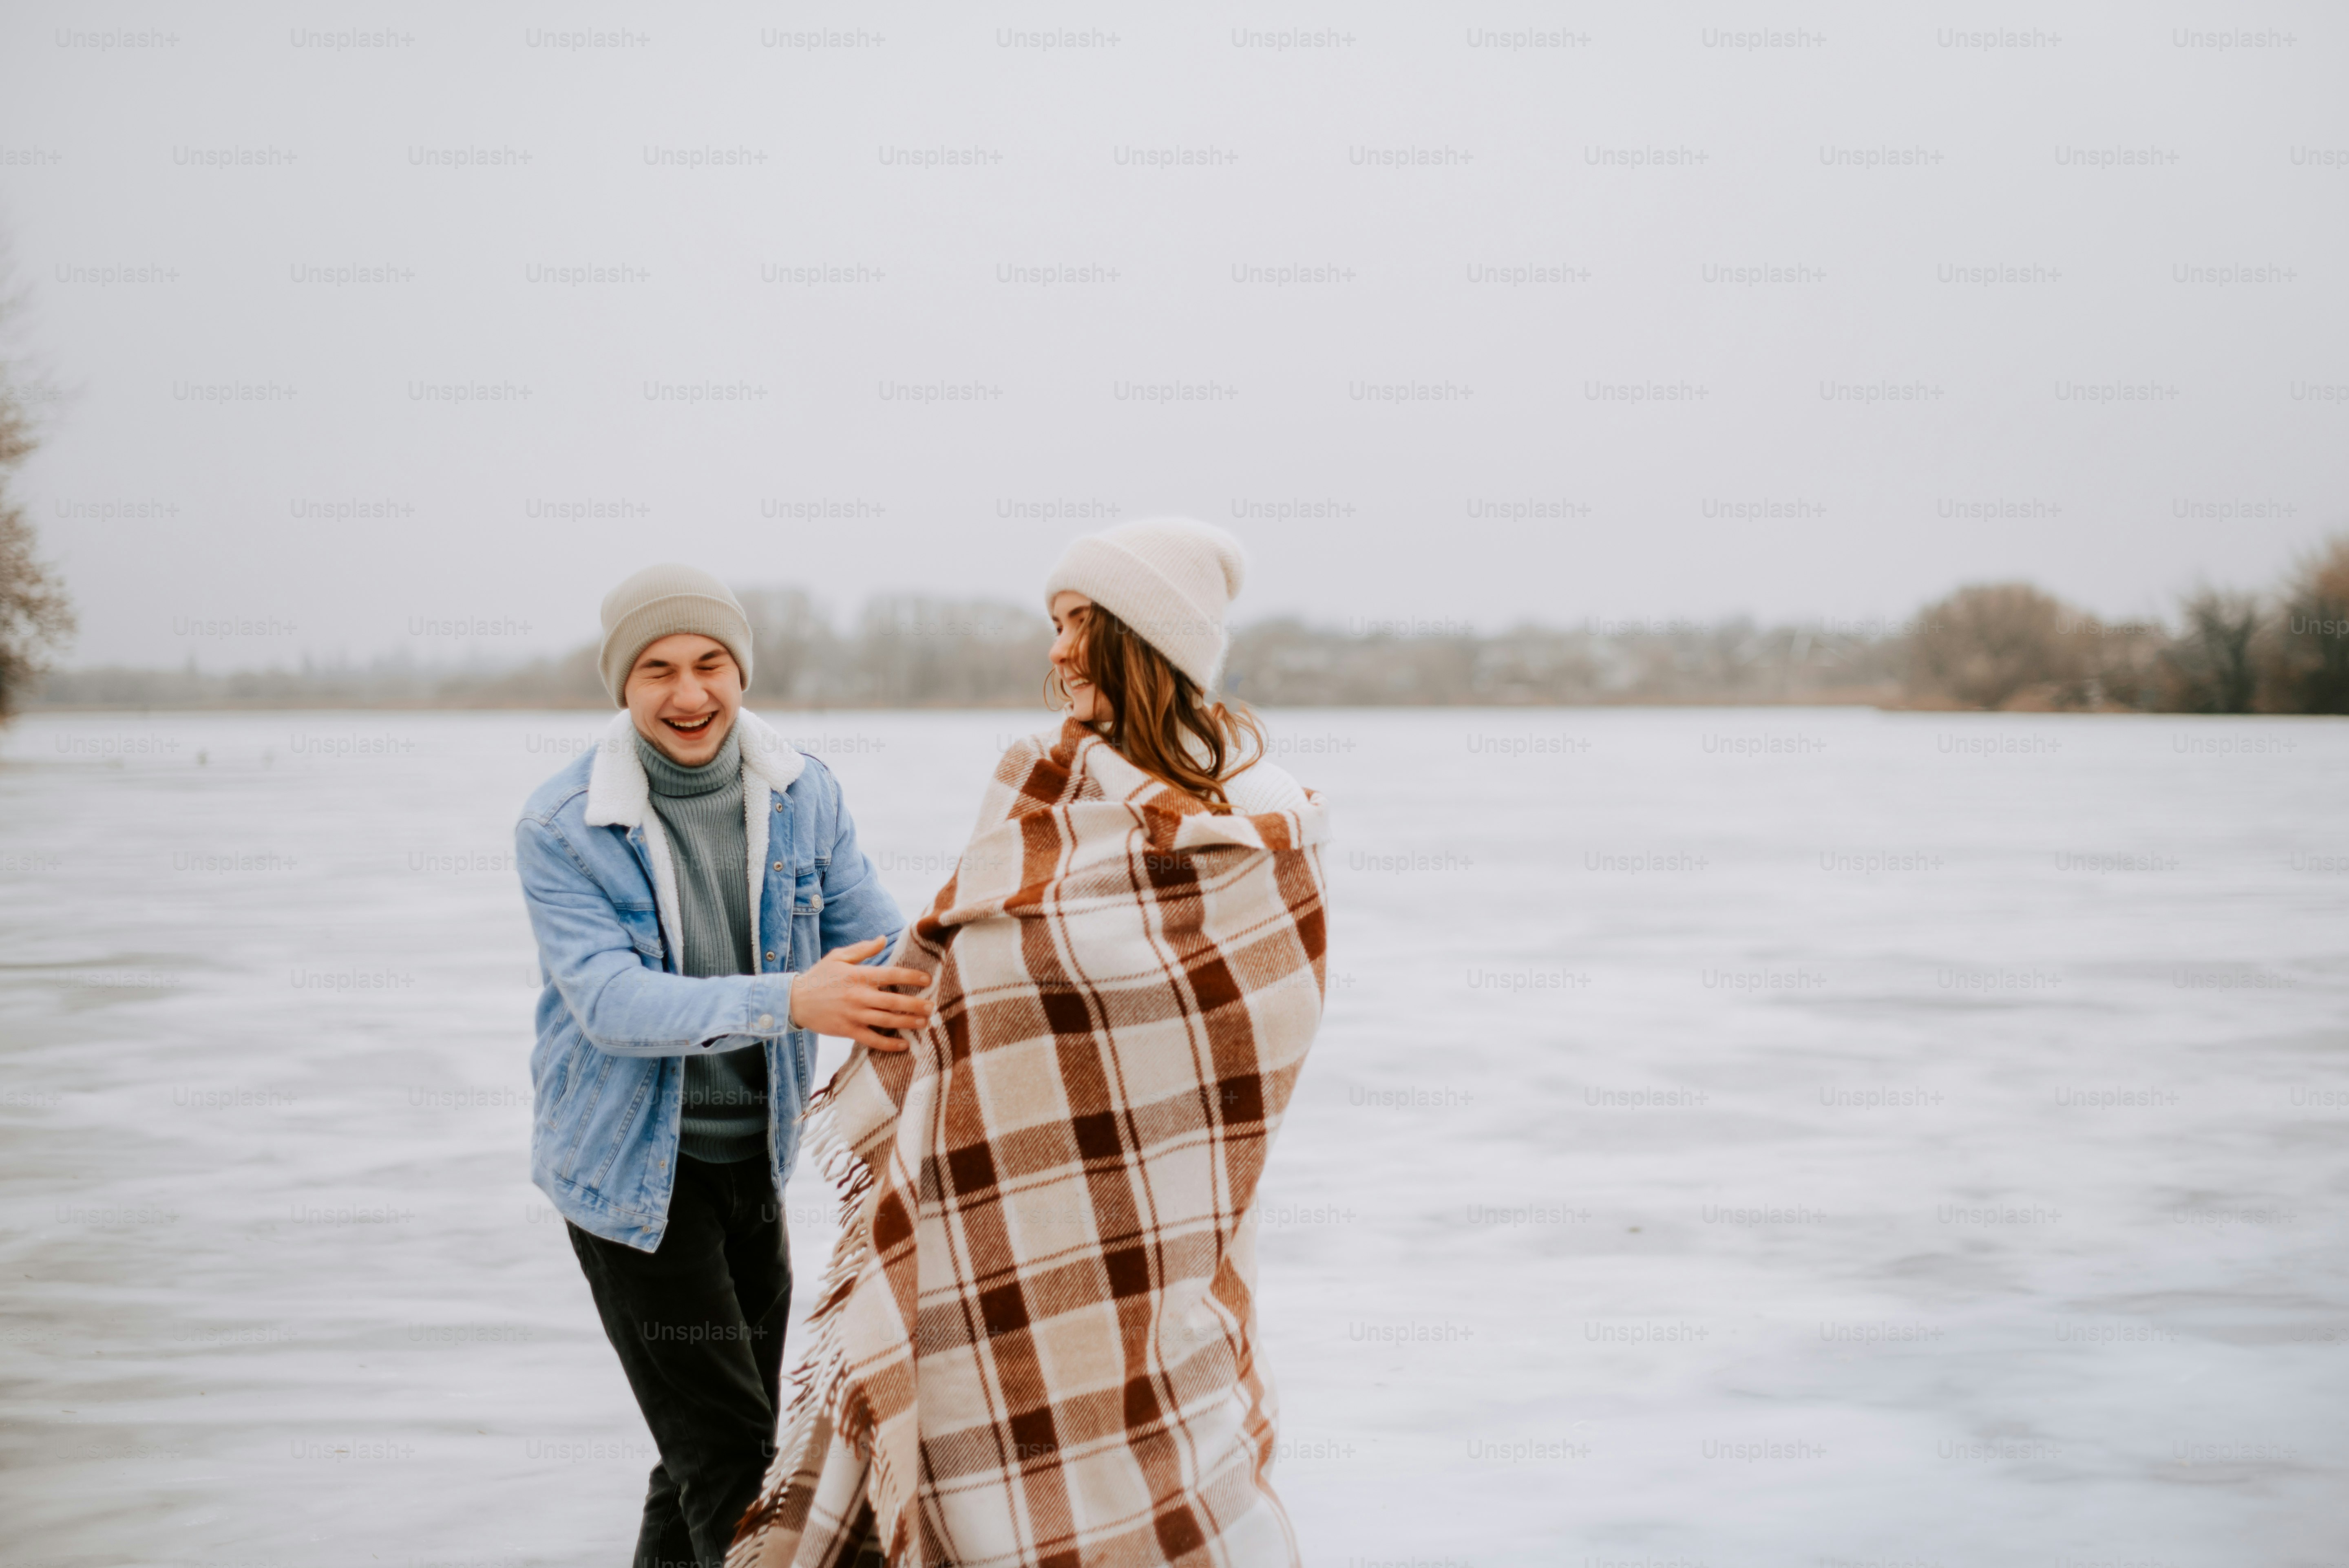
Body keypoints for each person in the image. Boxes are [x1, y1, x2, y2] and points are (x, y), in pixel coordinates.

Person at [733, 520, 1332, 1568]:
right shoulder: (1039, 788)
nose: (1053, 652)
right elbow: (967, 969)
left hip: (1162, 1245)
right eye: (1051, 625)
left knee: (1164, 1458)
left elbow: (1249, 1043)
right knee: (970, 1479)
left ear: (1142, 640)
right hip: (984, 1231)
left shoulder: (1268, 832)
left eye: (1076, 625)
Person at [513, 563, 934, 1568]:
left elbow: (879, 948)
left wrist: (1001, 942)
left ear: (742, 672)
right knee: (735, 1462)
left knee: (702, 1451)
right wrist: (790, 997)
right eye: (657, 669)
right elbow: (611, 1005)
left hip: (754, 1166)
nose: (689, 693)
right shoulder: (562, 824)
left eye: (710, 664)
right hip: (628, 1186)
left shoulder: (801, 791)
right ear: (622, 684)